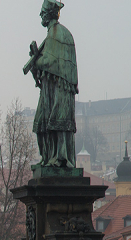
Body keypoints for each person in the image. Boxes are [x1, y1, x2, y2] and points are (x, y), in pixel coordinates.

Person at [27, 0, 78, 168]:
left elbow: (51, 63)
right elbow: (45, 69)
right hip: (49, 89)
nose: (40, 15)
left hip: (60, 89)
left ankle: (59, 158)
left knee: (57, 122)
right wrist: (36, 63)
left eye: (43, 12)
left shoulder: (59, 33)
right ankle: (47, 157)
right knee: (40, 124)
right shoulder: (51, 35)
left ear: (49, 13)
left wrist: (37, 60)